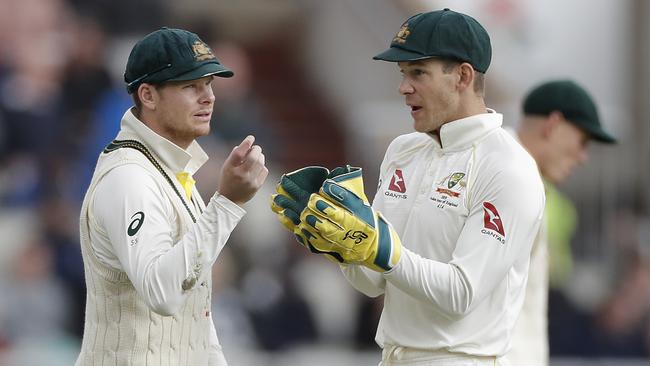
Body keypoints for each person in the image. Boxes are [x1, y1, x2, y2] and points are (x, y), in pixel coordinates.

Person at [271, 9, 545, 365]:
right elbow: (373, 281)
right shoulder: (404, 150)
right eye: (403, 74)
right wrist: (341, 245)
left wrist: (382, 248)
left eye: (418, 73)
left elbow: (461, 292)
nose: (403, 87)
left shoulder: (507, 166)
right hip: (393, 356)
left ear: (462, 76)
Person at [75, 27, 268, 366]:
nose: (208, 96)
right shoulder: (129, 177)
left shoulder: (172, 171)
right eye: (190, 86)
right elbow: (162, 294)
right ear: (148, 96)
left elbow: (196, 317)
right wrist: (226, 203)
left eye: (208, 83)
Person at [507, 80, 616, 366]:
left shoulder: (522, 178)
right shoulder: (500, 176)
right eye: (582, 142)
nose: (583, 157)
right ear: (553, 125)